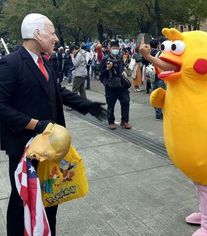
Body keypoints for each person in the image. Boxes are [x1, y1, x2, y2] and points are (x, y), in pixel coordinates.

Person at [0, 13, 106, 236]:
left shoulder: (45, 64)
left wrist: (87, 106)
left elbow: (58, 92)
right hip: (24, 151)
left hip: (51, 150)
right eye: (52, 32)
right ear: (37, 34)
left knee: (49, 197)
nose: (56, 38)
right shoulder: (11, 63)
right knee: (23, 201)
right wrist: (36, 125)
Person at [100, 39, 131, 130]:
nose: (115, 50)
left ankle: (124, 121)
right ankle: (111, 122)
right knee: (111, 104)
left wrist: (125, 70)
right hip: (110, 86)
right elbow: (101, 73)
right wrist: (107, 69)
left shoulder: (121, 58)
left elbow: (123, 69)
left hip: (121, 84)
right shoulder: (105, 59)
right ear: (109, 49)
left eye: (117, 48)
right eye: (114, 48)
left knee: (126, 101)